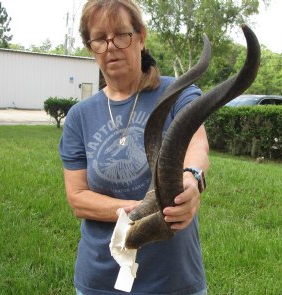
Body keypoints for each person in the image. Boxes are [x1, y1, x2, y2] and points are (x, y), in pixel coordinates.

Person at [59, 0, 210, 294]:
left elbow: (196, 142)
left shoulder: (177, 93)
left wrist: (191, 178)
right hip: (101, 281)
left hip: (173, 280)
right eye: (100, 39)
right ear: (91, 48)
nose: (111, 46)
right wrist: (139, 212)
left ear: (141, 37)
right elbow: (77, 198)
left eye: (121, 35)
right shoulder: (80, 116)